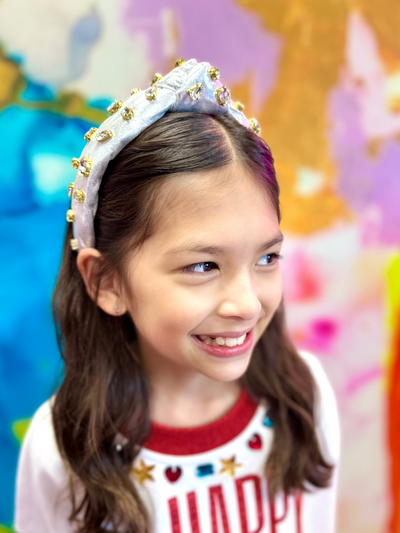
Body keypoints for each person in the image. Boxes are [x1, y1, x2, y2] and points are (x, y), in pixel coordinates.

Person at [14, 58, 340, 533]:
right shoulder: (61, 447)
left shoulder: (302, 396)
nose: (247, 304)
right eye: (203, 266)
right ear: (107, 282)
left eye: (266, 259)